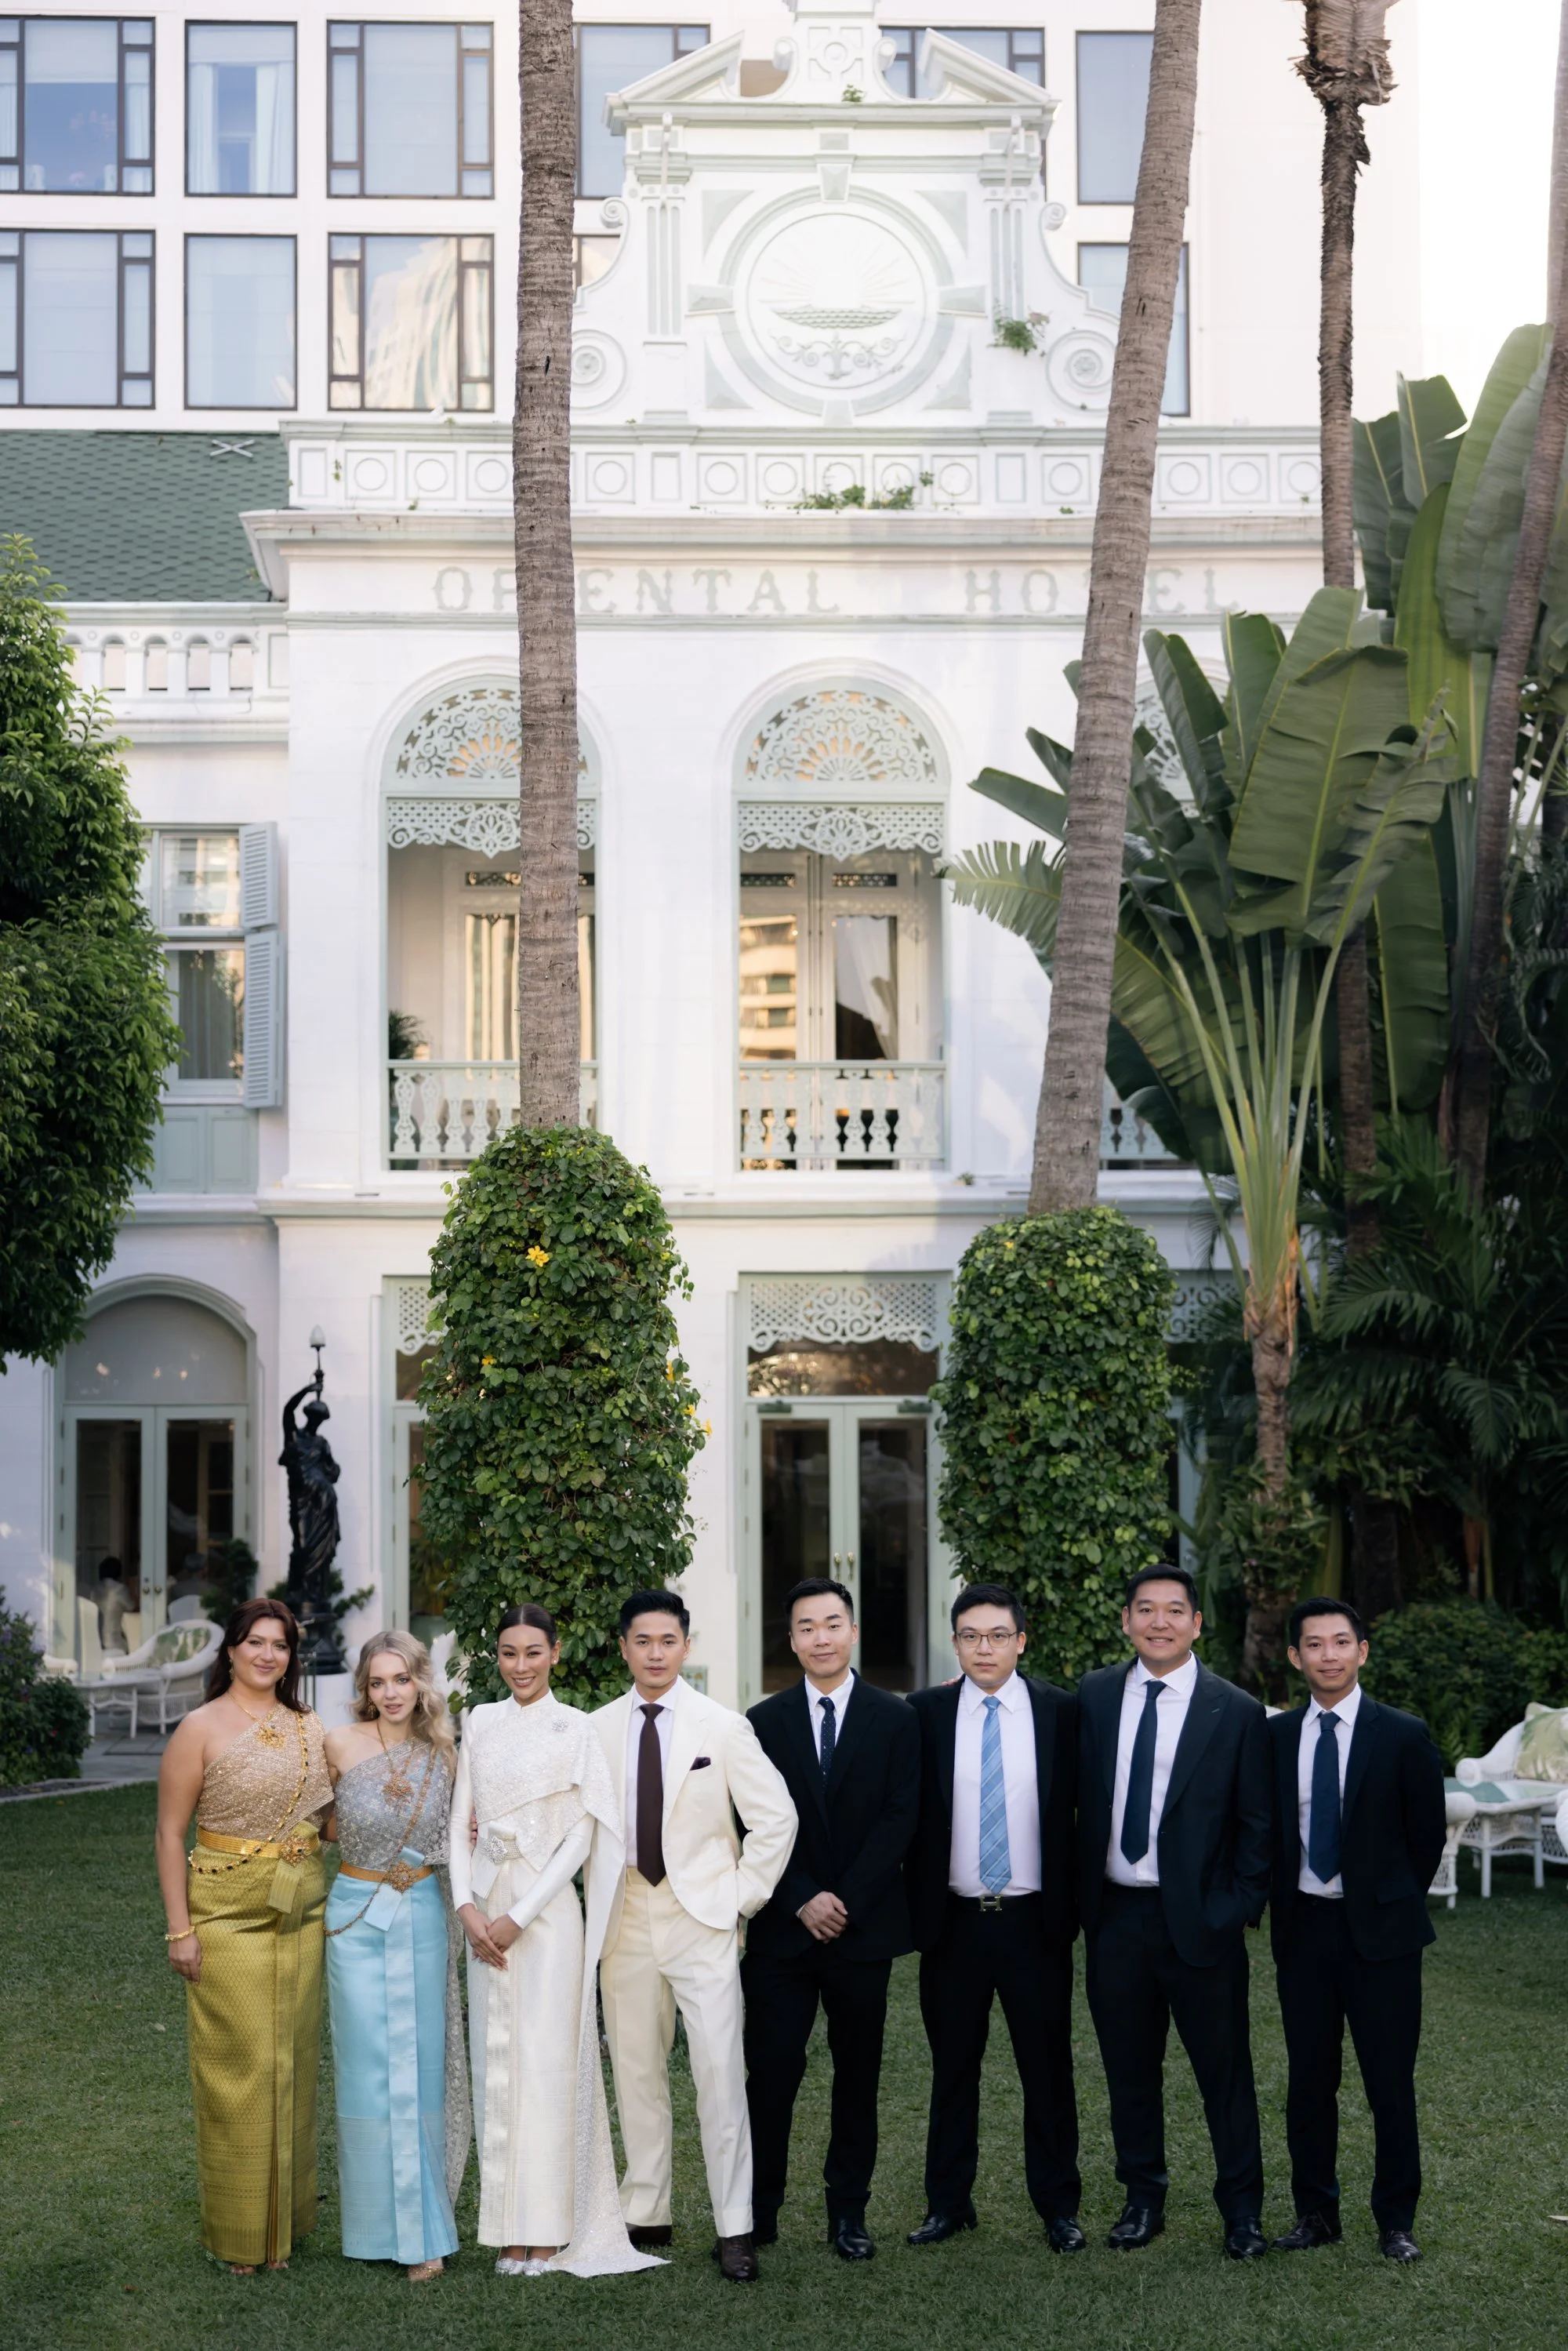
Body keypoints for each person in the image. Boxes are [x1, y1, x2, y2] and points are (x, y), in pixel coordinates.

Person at [587, 1588, 797, 2284]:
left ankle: (735, 2226)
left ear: (686, 1645)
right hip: (624, 1917)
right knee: (636, 2070)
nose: (655, 1654)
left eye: (668, 1641)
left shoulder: (722, 1727)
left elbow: (776, 1819)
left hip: (700, 1919)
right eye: (642, 1641)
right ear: (624, 1647)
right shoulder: (596, 1728)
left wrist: (738, 1900)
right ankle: (647, 2211)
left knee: (718, 2074)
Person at [448, 1603, 659, 2280]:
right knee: (496, 2066)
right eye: (509, 1653)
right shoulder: (479, 1721)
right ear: (497, 1657)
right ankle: (507, 2232)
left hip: (546, 1917)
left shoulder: (577, 1729)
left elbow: (582, 1835)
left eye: (533, 1653)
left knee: (546, 2067)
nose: (521, 1666)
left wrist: (519, 1915)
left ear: (555, 1653)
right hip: (484, 1908)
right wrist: (465, 1907)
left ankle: (547, 2232)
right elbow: (459, 1821)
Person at [1076, 1566, 1272, 2260]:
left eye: (1174, 1610)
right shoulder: (1095, 1695)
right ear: (1126, 1620)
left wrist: (1235, 1908)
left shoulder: (1236, 1710)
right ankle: (1142, 2199)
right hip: (1115, 1918)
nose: (1159, 1622)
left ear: (1196, 1623)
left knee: (1225, 2074)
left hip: (1202, 1922)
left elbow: (1259, 1826)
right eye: (1145, 1609)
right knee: (1129, 2070)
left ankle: (1242, 2213)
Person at [742, 1578, 920, 2260]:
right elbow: (748, 1821)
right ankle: (759, 2213)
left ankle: (849, 2213)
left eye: (832, 1624)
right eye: (806, 1627)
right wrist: (801, 1897)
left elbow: (901, 1818)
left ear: (853, 1632)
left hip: (862, 1929)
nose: (821, 1638)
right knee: (771, 2075)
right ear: (791, 1641)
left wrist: (843, 1899)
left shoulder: (895, 1717)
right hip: (782, 1932)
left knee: (857, 2077)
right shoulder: (761, 1722)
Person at [902, 1582, 1083, 2252]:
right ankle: (948, 2204)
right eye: (972, 1636)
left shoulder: (1061, 1712)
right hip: (953, 1923)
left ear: (1021, 1641)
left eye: (999, 1635)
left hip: (1036, 1922)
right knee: (953, 2067)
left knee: (1047, 2068)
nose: (985, 1647)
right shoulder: (924, 1713)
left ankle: (1059, 2207)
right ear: (954, 1643)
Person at [154, 1597, 333, 2273]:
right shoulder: (199, 1728)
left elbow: (332, 1822)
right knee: (242, 2070)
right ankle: (239, 2237)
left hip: (301, 1911)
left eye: (279, 1645)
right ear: (230, 1650)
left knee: (293, 2065)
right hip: (225, 1914)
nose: (267, 1655)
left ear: (291, 1657)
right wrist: (180, 1930)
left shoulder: (308, 1726)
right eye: (255, 1642)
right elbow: (169, 1832)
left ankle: (283, 2228)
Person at [1267, 1597, 1446, 2266]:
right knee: (1310, 2081)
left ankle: (1396, 2220)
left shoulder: (1402, 1734)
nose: (1329, 1655)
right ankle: (1315, 2213)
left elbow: (1426, 1837)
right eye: (1314, 1645)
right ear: (1296, 1657)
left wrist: (1386, 1900)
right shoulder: (1278, 1737)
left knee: (1388, 2082)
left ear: (1362, 1651)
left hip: (1383, 1937)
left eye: (1341, 1642)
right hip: (1304, 1930)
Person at [322, 1630, 470, 2282]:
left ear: (420, 1683)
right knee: (365, 2071)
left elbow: (464, 1834)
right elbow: (317, 1826)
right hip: (354, 1915)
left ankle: (423, 2232)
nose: (390, 1694)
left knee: (417, 2066)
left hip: (419, 1912)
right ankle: (373, 2228)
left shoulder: (446, 1750)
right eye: (378, 1682)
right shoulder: (337, 1744)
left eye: (402, 1680)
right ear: (364, 1688)